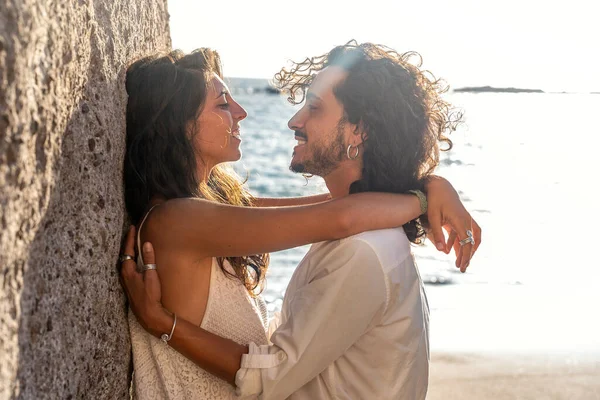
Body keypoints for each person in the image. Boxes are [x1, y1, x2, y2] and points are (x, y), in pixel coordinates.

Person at [120, 43, 480, 399]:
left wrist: (427, 190)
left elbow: (332, 213)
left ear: (359, 131)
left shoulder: (363, 247)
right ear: (177, 123)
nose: (291, 120)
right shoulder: (184, 219)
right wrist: (422, 195)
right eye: (223, 104)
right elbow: (334, 215)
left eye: (314, 107)